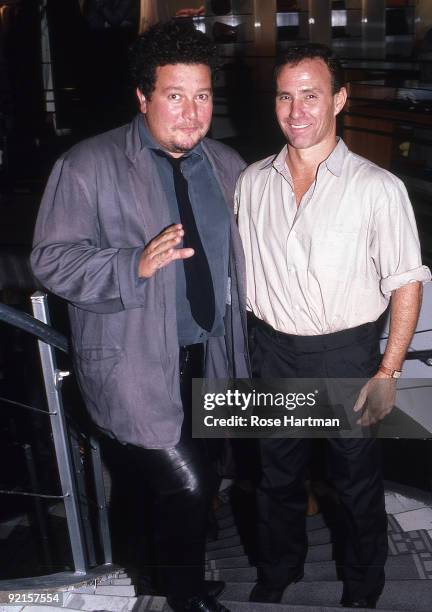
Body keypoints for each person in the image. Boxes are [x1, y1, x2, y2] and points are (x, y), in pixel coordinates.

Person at [31, 20, 249, 612]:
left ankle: (154, 576)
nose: (191, 111)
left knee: (186, 480)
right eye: (174, 95)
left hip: (211, 357)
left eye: (201, 95)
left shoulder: (226, 165)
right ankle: (181, 598)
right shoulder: (88, 164)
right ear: (143, 96)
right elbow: (51, 258)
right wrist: (134, 264)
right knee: (186, 482)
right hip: (132, 361)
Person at [236, 43, 431, 609]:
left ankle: (364, 590)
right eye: (285, 96)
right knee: (274, 479)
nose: (297, 111)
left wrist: (389, 369)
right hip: (272, 352)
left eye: (312, 96)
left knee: (355, 484)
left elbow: (406, 283)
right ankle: (277, 574)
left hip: (347, 354)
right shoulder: (252, 183)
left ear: (339, 100)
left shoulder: (377, 188)